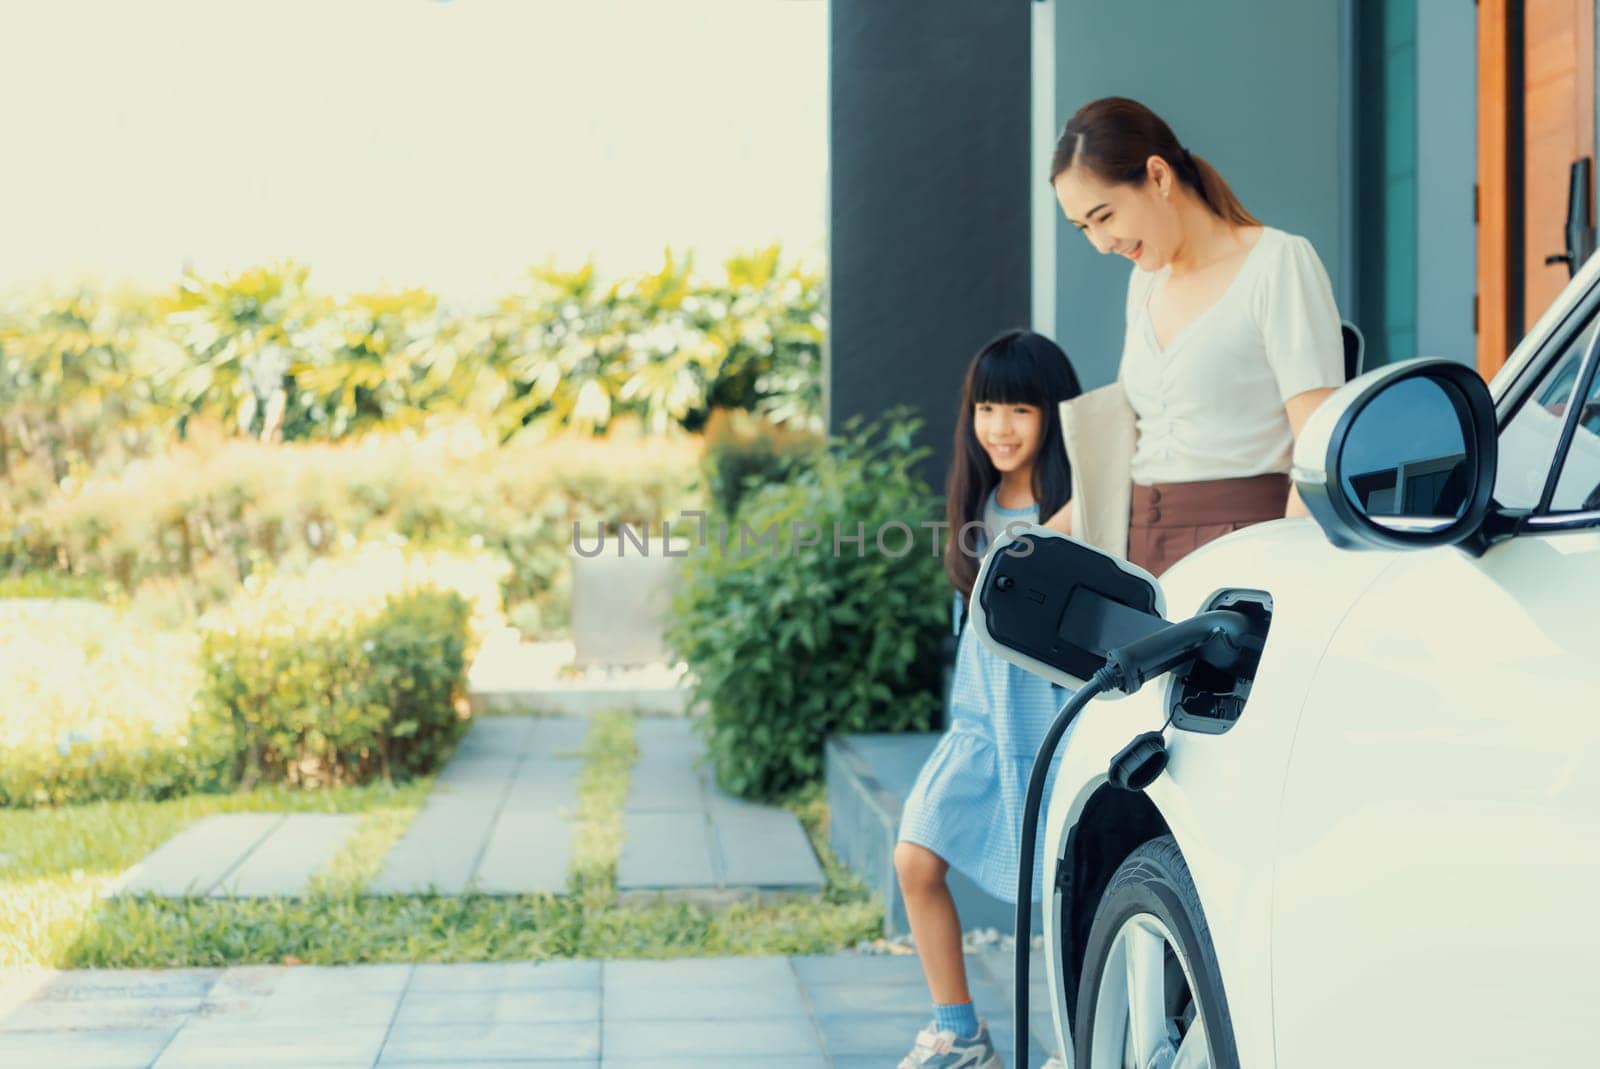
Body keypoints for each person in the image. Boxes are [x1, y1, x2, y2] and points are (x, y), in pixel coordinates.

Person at [1042, 97, 1346, 576]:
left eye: (1104, 217)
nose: (1100, 244)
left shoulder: (1278, 263)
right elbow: (1146, 443)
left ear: (1158, 176)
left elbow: (1318, 445)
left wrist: (1291, 575)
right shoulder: (1146, 281)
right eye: (1083, 228)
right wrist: (1027, 542)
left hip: (1245, 547)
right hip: (1138, 549)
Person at [894, 328, 1080, 1069]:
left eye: (1021, 411)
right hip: (982, 722)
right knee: (915, 856)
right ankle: (960, 1029)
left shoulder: (1084, 499)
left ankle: (1084, 1043)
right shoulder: (980, 501)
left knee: (1069, 900)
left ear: (1055, 415)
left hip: (1057, 723)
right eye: (987, 408)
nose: (1000, 427)